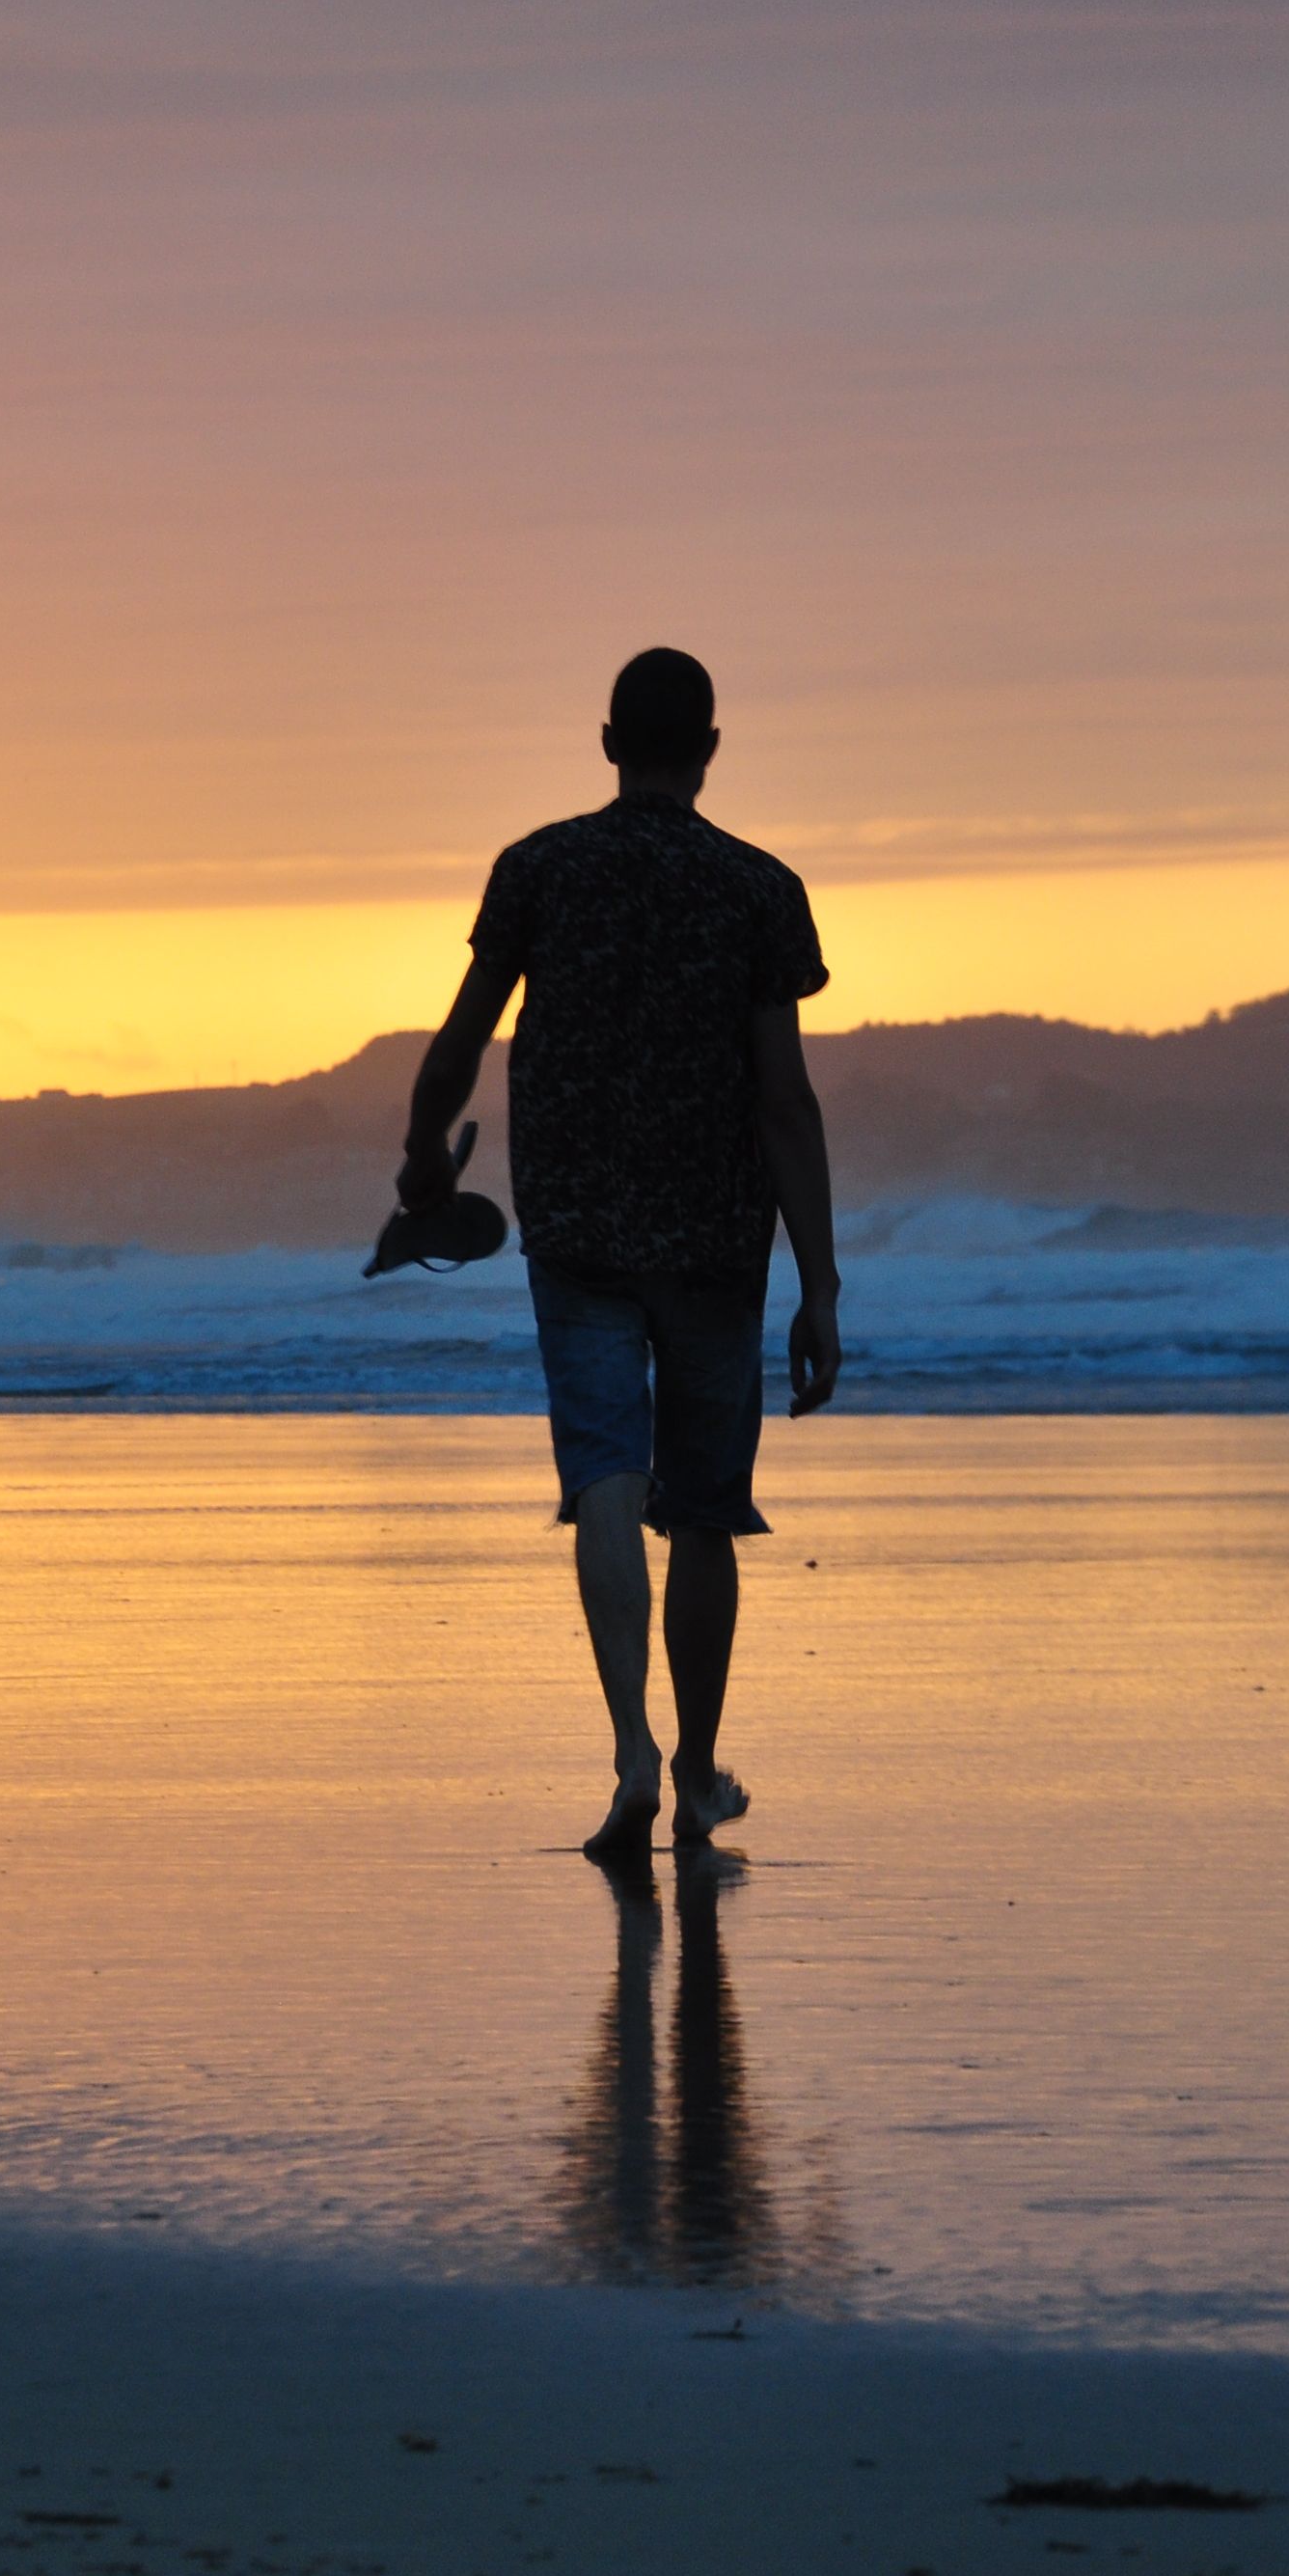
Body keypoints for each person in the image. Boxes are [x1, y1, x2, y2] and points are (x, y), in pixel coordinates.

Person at [396, 646, 840, 1860]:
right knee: (702, 1510)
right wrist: (821, 1282)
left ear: (606, 743)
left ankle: (633, 1755)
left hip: (578, 1227)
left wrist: (422, 1159)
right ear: (707, 750)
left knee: (603, 1477)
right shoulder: (759, 889)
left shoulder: (538, 869)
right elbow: (786, 1101)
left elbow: (459, 1039)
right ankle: (697, 1777)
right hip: (713, 1239)